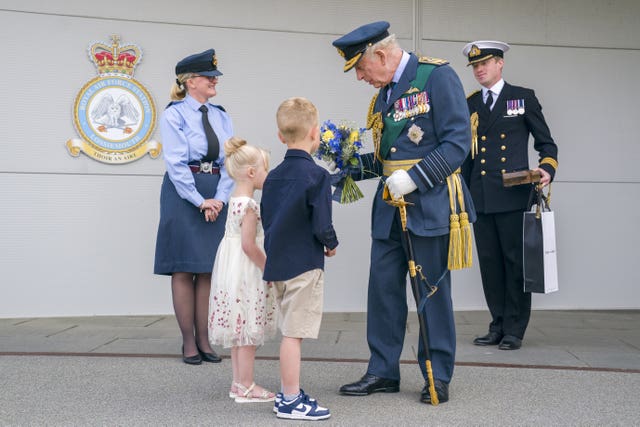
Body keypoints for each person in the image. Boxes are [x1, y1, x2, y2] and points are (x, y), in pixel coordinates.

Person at [332, 21, 475, 404]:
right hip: (388, 209)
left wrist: (416, 178)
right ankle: (382, 370)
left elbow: (458, 143)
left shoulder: (435, 76)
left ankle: (437, 374)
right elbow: (386, 158)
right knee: (382, 291)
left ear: (380, 54)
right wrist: (345, 166)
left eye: (361, 68)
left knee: (430, 290)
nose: (361, 77)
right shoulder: (384, 93)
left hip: (427, 204)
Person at [461, 41, 558, 350]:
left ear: (500, 63)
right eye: (475, 65)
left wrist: (546, 169)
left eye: (485, 63)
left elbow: (547, 144)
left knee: (514, 262)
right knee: (490, 264)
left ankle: (515, 328)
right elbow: (467, 155)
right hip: (481, 195)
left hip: (513, 193)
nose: (479, 69)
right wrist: (462, 192)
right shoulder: (471, 103)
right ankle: (497, 324)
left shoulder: (522, 98)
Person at [154, 49, 233, 365]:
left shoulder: (221, 114)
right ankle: (189, 342)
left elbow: (231, 160)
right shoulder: (174, 115)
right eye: (208, 76)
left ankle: (205, 339)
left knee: (209, 269)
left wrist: (220, 199)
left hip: (216, 190)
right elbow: (175, 163)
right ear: (190, 82)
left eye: (214, 76)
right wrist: (201, 201)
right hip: (185, 193)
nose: (215, 80)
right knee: (185, 267)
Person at [261, 97, 338, 420]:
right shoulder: (317, 176)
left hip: (277, 263)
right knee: (294, 334)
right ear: (315, 133)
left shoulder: (273, 176)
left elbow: (268, 217)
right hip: (305, 264)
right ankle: (290, 399)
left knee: (289, 329)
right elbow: (321, 222)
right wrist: (331, 244)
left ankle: (289, 390)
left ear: (281, 136)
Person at [208, 136, 277, 402]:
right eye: (265, 169)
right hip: (247, 270)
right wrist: (268, 268)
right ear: (251, 172)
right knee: (247, 330)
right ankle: (247, 385)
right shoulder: (250, 206)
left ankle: (238, 383)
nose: (267, 175)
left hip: (231, 268)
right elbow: (249, 245)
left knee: (240, 329)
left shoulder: (233, 199)